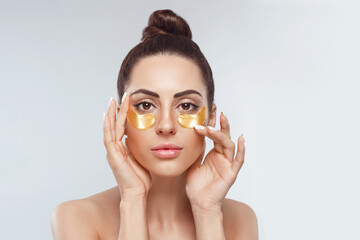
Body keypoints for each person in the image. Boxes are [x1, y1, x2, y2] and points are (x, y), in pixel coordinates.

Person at [51, 9, 258, 240]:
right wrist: (132, 198)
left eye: (187, 105)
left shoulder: (240, 219)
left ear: (211, 118)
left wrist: (207, 211)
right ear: (121, 118)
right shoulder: (77, 217)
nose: (166, 125)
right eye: (146, 105)